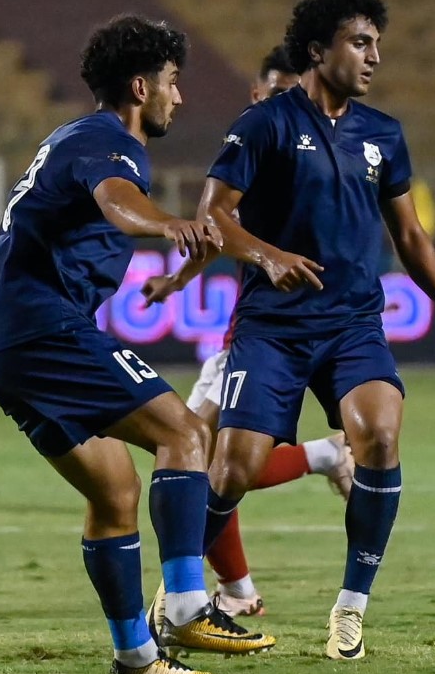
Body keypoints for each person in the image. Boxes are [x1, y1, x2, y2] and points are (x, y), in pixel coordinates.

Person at [0, 15, 275, 674]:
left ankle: (136, 658)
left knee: (114, 491)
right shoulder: (108, 141)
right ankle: (190, 602)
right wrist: (169, 224)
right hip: (40, 328)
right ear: (141, 87)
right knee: (186, 432)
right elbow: (118, 202)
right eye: (172, 84)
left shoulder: (74, 140)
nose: (180, 97)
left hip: (1, 346)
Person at [194, 0, 435, 661]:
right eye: (361, 42)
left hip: (353, 325)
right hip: (272, 327)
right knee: (233, 468)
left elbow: (409, 237)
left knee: (379, 433)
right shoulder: (263, 124)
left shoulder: (384, 133)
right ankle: (179, 592)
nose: (375, 56)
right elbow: (214, 212)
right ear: (318, 50)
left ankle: (350, 609)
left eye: (377, 43)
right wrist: (267, 257)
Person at [141, 44, 354, 619]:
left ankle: (233, 588)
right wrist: (176, 282)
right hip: (249, 334)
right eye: (279, 92)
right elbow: (216, 228)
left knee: (192, 459)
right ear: (258, 95)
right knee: (200, 458)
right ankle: (238, 585)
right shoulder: (257, 149)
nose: (290, 104)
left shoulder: (314, 160)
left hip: (268, 337)